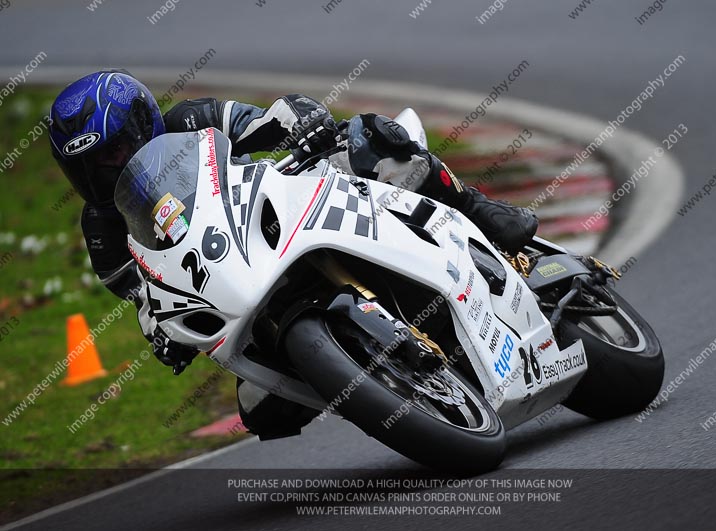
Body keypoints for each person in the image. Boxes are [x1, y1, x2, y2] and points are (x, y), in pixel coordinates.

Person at [49, 69, 538, 440]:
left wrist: (298, 120)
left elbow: (261, 121)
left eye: (111, 153)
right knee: (262, 413)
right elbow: (144, 296)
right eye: (86, 165)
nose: (102, 170)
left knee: (372, 139)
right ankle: (383, 378)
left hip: (283, 210)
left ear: (142, 123)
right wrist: (162, 334)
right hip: (239, 289)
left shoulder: (189, 120)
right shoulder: (103, 231)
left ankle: (476, 206)